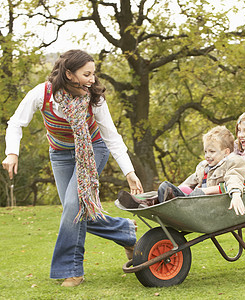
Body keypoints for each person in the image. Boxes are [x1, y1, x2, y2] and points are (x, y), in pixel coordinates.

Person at [1, 50, 144, 287]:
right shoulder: (42, 93)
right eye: (86, 74)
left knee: (72, 208)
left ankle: (72, 270)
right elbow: (16, 122)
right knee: (75, 211)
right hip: (59, 154)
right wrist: (11, 152)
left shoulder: (94, 97)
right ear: (69, 74)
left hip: (92, 150)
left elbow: (112, 137)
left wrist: (129, 172)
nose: (92, 79)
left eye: (93, 73)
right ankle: (125, 231)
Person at [119, 125, 245, 215]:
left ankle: (149, 203)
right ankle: (145, 203)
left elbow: (234, 180)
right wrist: (178, 190)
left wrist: (235, 195)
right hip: (196, 200)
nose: (207, 155)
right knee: (167, 189)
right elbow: (188, 182)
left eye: (212, 151)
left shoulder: (233, 162)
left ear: (226, 152)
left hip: (210, 205)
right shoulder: (204, 166)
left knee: (167, 187)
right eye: (205, 151)